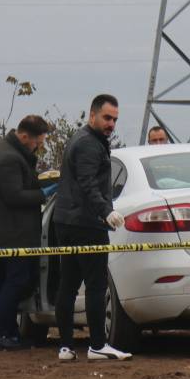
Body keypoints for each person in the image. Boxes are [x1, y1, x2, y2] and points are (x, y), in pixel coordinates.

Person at [52, 94, 132, 361]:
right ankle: (98, 344)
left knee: (69, 284)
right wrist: (106, 212)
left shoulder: (84, 139)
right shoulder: (89, 143)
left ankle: (65, 346)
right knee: (96, 285)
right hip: (86, 224)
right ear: (92, 115)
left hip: (67, 221)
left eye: (115, 120)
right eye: (107, 118)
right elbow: (88, 184)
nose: (111, 124)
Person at [0, 114, 55, 351]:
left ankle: (9, 332)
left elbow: (21, 186)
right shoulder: (9, 159)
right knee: (16, 281)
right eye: (37, 142)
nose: (39, 147)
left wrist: (42, 182)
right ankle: (1, 332)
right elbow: (14, 196)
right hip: (11, 234)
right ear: (24, 137)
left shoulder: (9, 151)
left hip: (10, 231)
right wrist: (46, 192)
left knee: (16, 281)